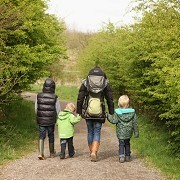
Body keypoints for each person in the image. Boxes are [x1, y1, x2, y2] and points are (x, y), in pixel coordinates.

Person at [76, 66, 114, 162]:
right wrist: (111, 111)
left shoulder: (86, 82)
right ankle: (94, 152)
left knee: (90, 132)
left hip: (88, 111)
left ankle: (91, 152)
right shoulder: (104, 83)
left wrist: (79, 111)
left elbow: (80, 98)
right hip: (99, 111)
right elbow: (110, 98)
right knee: (97, 132)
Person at [107, 95, 139, 163]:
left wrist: (108, 115)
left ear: (119, 104)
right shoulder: (132, 113)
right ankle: (127, 156)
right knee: (127, 143)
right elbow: (135, 123)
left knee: (121, 143)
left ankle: (121, 156)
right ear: (128, 104)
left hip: (120, 132)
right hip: (129, 132)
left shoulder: (118, 113)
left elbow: (114, 121)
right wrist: (136, 132)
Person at [35, 78, 61, 160]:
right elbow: (58, 110)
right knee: (51, 135)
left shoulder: (38, 96)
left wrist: (39, 116)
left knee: (41, 135)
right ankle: (52, 152)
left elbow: (36, 108)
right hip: (51, 121)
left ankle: (40, 153)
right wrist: (58, 119)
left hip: (41, 120)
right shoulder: (55, 97)